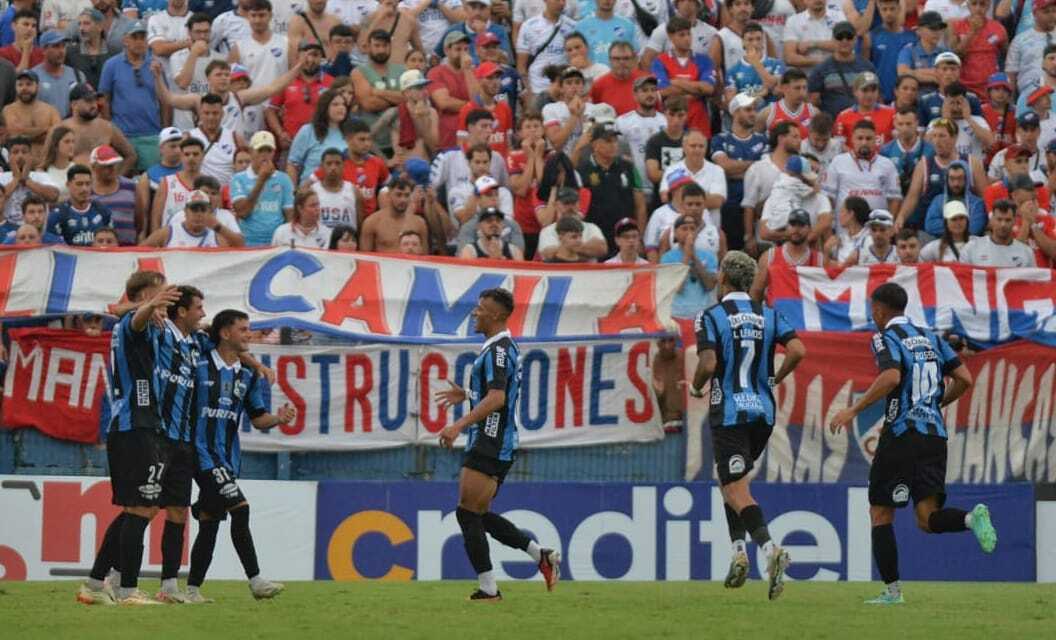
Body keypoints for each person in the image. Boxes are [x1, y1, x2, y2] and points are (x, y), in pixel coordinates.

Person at [829, 282, 995, 605]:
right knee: (927, 518)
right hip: (934, 436)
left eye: (872, 309)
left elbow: (891, 377)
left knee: (880, 512)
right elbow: (965, 378)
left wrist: (854, 409)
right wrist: (935, 405)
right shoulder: (932, 337)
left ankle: (892, 593)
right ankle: (970, 519)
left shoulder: (885, 338)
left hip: (902, 434)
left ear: (879, 309)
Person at [690, 250, 805, 598]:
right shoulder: (769, 315)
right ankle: (738, 552)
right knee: (732, 482)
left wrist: (696, 386)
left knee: (734, 488)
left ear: (723, 278)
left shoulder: (711, 315)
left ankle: (770, 551)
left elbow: (708, 364)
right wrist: (775, 380)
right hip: (763, 414)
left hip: (729, 412)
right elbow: (798, 350)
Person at [435, 287, 561, 602]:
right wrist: (467, 393)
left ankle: (489, 589)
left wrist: (458, 424)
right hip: (492, 439)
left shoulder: (499, 350)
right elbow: (494, 393)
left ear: (497, 315)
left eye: (480, 308)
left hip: (493, 439)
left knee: (467, 514)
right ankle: (539, 555)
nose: (475, 312)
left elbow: (498, 397)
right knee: (475, 513)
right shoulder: (495, 348)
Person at [76, 271, 181, 606]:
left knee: (137, 508)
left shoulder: (146, 326)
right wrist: (150, 306)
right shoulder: (132, 324)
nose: (165, 301)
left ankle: (94, 585)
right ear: (148, 293)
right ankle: (127, 590)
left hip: (142, 424)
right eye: (161, 293)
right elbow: (135, 319)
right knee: (142, 507)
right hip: (133, 424)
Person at [184, 309, 295, 603]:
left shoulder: (247, 376)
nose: (249, 334)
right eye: (243, 329)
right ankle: (256, 580)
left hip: (227, 459)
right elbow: (201, 331)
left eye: (250, 329)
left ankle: (193, 590)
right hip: (200, 453)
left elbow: (258, 418)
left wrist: (279, 419)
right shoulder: (199, 364)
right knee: (241, 508)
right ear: (225, 333)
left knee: (209, 522)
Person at [100, 21, 163, 172]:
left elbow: (164, 99)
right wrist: (111, 130)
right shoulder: (111, 65)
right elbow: (104, 99)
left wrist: (163, 128)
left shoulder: (154, 65)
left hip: (151, 134)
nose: (140, 41)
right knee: (120, 180)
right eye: (135, 37)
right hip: (122, 135)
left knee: (152, 180)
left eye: (143, 37)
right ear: (125, 40)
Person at [710, 93, 768, 251]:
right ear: (735, 112)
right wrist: (753, 166)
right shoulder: (720, 139)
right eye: (748, 109)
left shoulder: (763, 140)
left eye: (754, 109)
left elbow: (764, 172)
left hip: (758, 208)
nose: (753, 113)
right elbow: (723, 166)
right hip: (730, 208)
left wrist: (736, 168)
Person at [579, 122, 645, 249]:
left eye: (615, 141)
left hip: (625, 236)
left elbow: (640, 205)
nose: (614, 145)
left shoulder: (628, 167)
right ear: (594, 145)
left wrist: (639, 237)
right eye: (608, 141)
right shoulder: (583, 170)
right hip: (595, 238)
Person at [265, 40, 332, 158]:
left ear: (321, 57)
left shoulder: (331, 82)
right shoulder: (286, 81)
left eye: (315, 55)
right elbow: (270, 110)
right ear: (297, 57)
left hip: (321, 145)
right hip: (291, 144)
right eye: (306, 55)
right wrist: (280, 133)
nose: (310, 60)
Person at [823, 120, 901, 221]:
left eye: (868, 138)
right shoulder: (838, 162)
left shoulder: (887, 164)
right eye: (860, 138)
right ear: (852, 139)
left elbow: (894, 199)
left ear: (875, 139)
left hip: (876, 230)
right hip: (845, 231)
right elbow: (828, 198)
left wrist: (889, 224)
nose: (864, 142)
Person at [653, 16, 716, 136]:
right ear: (671, 37)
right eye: (681, 35)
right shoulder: (660, 61)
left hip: (698, 122)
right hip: (670, 122)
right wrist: (696, 89)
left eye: (689, 34)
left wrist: (675, 81)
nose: (687, 39)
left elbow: (708, 88)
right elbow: (663, 91)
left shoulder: (704, 60)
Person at [231, 131, 295, 246]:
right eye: (260, 150)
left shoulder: (284, 179)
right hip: (249, 243)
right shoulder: (238, 179)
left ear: (274, 153)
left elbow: (289, 215)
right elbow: (242, 212)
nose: (265, 155)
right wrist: (261, 180)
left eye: (269, 151)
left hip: (276, 244)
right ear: (251, 152)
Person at [350, 30, 406, 155]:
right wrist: (397, 99)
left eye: (385, 45)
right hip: (372, 143)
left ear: (390, 47)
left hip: (401, 142)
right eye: (377, 45)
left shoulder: (402, 70)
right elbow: (369, 104)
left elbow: (410, 98)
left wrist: (378, 92)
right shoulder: (359, 72)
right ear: (369, 47)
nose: (381, 50)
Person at [749, 208, 823, 303]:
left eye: (801, 225)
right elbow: (756, 291)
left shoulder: (819, 260)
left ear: (809, 228)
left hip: (806, 315)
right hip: (776, 314)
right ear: (787, 227)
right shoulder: (769, 257)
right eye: (793, 224)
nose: (796, 229)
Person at [61, 82, 138, 172]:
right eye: (88, 101)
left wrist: (114, 177)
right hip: (71, 182)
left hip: (101, 182)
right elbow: (47, 161)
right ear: (74, 104)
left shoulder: (107, 127)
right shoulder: (61, 129)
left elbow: (131, 156)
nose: (94, 105)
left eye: (95, 100)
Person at [808, 21, 878, 118]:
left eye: (849, 37)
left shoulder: (867, 66)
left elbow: (876, 96)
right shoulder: (821, 69)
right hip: (833, 124)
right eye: (839, 37)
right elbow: (813, 101)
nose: (844, 41)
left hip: (862, 123)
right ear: (833, 40)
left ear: (855, 39)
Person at [167, 12, 224, 130]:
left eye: (206, 32)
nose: (202, 36)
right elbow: (183, 83)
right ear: (189, 32)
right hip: (184, 124)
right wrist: (194, 53)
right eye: (198, 32)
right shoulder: (177, 57)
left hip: (212, 123)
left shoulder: (220, 59)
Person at [758, 155, 832, 243]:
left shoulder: (820, 198)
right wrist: (795, 237)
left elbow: (825, 222)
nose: (814, 174)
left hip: (809, 252)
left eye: (817, 171)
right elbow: (764, 233)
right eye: (811, 169)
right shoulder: (774, 197)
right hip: (782, 250)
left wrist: (801, 240)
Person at [660, 130, 725, 227]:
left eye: (701, 146)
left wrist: (682, 197)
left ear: (706, 148)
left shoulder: (717, 170)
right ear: (684, 148)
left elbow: (717, 201)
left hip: (709, 230)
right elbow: (665, 197)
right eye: (693, 146)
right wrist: (703, 198)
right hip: (678, 229)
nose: (697, 149)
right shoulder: (672, 169)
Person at [516, 0, 577, 99]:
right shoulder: (528, 26)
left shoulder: (573, 26)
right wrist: (529, 92)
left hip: (563, 92)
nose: (561, 3)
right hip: (537, 91)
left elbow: (575, 61)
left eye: (564, 0)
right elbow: (521, 66)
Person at [660, 214, 718, 318]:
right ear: (676, 233)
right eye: (684, 229)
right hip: (677, 315)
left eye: (692, 229)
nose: (689, 232)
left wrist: (694, 257)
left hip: (703, 315)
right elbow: (677, 288)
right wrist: (686, 257)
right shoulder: (667, 259)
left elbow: (710, 286)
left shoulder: (709, 256)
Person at [331, 118, 389, 219]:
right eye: (362, 139)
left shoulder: (377, 163)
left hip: (371, 220)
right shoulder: (335, 163)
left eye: (369, 139)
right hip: (343, 220)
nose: (367, 144)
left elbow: (389, 188)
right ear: (348, 139)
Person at [142, 188, 242, 246]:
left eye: (202, 210)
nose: (198, 214)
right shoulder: (169, 232)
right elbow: (140, 250)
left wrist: (219, 227)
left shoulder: (215, 236)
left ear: (209, 212)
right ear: (185, 212)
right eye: (194, 209)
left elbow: (240, 245)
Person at [287, 90, 347, 186]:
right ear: (324, 107)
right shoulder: (308, 131)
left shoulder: (350, 133)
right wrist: (293, 193)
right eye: (335, 104)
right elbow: (293, 164)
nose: (341, 108)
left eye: (344, 104)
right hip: (311, 192)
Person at [950, 0, 1007, 98]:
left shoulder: (998, 28)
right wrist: (972, 31)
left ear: (988, 5)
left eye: (982, 4)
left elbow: (1006, 56)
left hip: (991, 87)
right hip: (965, 87)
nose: (978, 8)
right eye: (974, 3)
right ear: (968, 5)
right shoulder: (957, 26)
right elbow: (955, 56)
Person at [0, 136, 62, 226]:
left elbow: (54, 196)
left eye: (24, 152)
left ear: (31, 156)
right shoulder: (2, 177)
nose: (20, 156)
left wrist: (27, 181)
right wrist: (16, 179)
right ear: (9, 157)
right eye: (15, 152)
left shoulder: (41, 176)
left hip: (36, 228)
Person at [2, 70, 62, 162]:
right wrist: (45, 129)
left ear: (37, 86)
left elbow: (56, 137)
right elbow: (15, 135)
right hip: (17, 165)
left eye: (28, 84)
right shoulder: (8, 110)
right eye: (20, 85)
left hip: (45, 164)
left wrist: (25, 132)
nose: (24, 88)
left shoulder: (51, 110)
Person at [359, 176, 430, 252]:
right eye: (398, 195)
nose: (403, 200)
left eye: (406, 195)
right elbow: (364, 257)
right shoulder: (372, 222)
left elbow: (425, 257)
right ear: (389, 195)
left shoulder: (419, 223)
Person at [642, 0, 717, 71]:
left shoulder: (711, 33)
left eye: (691, 0)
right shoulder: (663, 30)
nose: (686, 3)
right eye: (682, 0)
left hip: (699, 80)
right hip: (668, 81)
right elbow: (647, 61)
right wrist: (661, 79)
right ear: (676, 5)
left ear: (698, 5)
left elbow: (713, 66)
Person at [536, 186, 607, 260]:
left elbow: (601, 249)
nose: (570, 207)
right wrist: (585, 250)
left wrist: (567, 248)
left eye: (573, 203)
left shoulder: (591, 227)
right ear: (556, 205)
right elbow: (549, 254)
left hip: (586, 271)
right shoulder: (547, 231)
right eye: (566, 203)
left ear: (579, 205)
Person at [962, 198, 1036, 266]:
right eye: (999, 219)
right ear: (992, 220)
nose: (1003, 224)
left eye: (1008, 220)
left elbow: (1033, 280)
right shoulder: (972, 248)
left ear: (1014, 221)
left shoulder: (1026, 252)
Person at [643, 96, 688, 209]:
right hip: (661, 200)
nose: (676, 120)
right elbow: (653, 174)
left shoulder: (692, 139)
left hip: (686, 199)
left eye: (680, 115)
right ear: (665, 115)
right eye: (672, 115)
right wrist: (683, 176)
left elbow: (698, 169)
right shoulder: (655, 141)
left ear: (686, 115)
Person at [90, 143, 139, 244]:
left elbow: (140, 221)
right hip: (96, 250)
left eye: (113, 165)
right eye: (106, 166)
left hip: (128, 248)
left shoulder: (131, 186)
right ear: (94, 167)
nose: (111, 169)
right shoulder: (87, 191)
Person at [152, 136, 203, 231]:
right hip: (172, 242)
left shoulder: (209, 183)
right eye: (187, 154)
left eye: (195, 154)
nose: (191, 158)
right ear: (181, 156)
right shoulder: (166, 182)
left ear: (202, 156)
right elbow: (156, 219)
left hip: (202, 243)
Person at [869, 0, 916, 103]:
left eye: (892, 9)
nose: (888, 13)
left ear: (899, 9)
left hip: (906, 98)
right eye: (884, 9)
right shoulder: (872, 36)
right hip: (881, 97)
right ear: (879, 11)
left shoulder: (912, 37)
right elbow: (867, 69)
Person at [32, 30, 86, 119]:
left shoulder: (78, 76)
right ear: (44, 50)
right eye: (56, 46)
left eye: (63, 46)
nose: (61, 51)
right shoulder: (32, 77)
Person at [924, 160, 986, 237]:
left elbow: (974, 229)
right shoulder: (938, 200)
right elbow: (930, 226)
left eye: (960, 178)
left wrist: (947, 225)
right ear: (947, 180)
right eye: (952, 179)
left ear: (967, 179)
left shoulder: (977, 203)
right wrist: (960, 226)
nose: (956, 183)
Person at [1006, 0, 1056, 95]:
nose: (1052, 15)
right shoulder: (1020, 40)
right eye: (1046, 12)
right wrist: (1010, 105)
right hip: (1030, 97)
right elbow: (1011, 74)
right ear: (1034, 13)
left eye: (1054, 11)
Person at [896, 11, 951, 95]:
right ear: (919, 31)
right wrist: (932, 77)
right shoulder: (909, 50)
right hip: (915, 101)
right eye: (932, 28)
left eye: (939, 28)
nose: (937, 32)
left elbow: (951, 78)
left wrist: (914, 72)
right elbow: (902, 73)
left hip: (940, 100)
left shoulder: (946, 52)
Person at [834, 71, 895, 145]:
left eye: (873, 90)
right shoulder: (843, 117)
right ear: (855, 92)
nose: (869, 95)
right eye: (865, 90)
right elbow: (839, 145)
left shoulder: (891, 114)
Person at [881, 107, 930, 197]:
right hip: (896, 200)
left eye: (908, 124)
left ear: (916, 123)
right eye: (901, 124)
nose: (905, 128)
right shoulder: (885, 151)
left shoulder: (930, 150)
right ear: (895, 124)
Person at [757, 68, 817, 139]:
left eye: (804, 88)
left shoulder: (814, 113)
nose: (802, 93)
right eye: (797, 88)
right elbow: (756, 141)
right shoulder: (767, 113)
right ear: (784, 88)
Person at [783, 0, 838, 73]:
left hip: (835, 74)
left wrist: (812, 44)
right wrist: (822, 62)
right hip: (806, 77)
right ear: (804, 1)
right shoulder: (793, 21)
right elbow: (789, 58)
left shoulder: (839, 17)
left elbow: (844, 46)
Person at [589, 40, 643, 115]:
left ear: (634, 59)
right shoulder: (598, 85)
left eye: (626, 58)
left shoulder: (644, 81)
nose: (621, 62)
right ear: (609, 60)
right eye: (617, 59)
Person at [312, 147, 359, 232]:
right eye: (329, 163)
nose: (333, 167)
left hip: (346, 242)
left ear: (344, 166)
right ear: (322, 166)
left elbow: (359, 223)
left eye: (337, 163)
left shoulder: (354, 191)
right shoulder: (312, 191)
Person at [459, 206, 525, 260]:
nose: (494, 223)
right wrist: (493, 259)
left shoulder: (514, 251)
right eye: (489, 221)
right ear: (479, 226)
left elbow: (519, 274)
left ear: (503, 225)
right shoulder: (469, 251)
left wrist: (501, 259)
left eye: (498, 221)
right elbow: (468, 274)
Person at [38, 126, 76, 202]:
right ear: (55, 145)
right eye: (67, 142)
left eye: (73, 141)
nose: (71, 145)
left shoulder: (76, 169)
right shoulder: (42, 171)